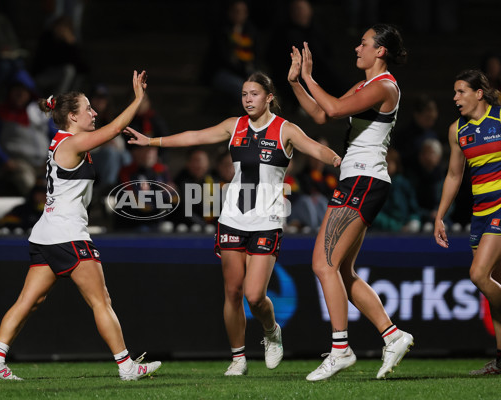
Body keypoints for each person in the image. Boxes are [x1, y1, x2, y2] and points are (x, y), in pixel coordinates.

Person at [126, 71, 341, 376]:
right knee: (232, 291)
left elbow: (314, 147)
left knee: (255, 295)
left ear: (269, 97)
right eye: (243, 94)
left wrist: (336, 159)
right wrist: (152, 140)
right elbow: (195, 136)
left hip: (267, 219)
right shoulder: (234, 125)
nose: (247, 100)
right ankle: (238, 357)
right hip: (232, 218)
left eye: (253, 94)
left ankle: (271, 331)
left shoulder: (285, 129)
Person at [0, 70, 162, 381]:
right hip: (67, 234)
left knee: (30, 300)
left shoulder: (66, 142)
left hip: (48, 234)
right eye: (88, 108)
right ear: (73, 117)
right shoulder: (73, 143)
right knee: (101, 300)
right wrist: (138, 98)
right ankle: (127, 366)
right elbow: (117, 128)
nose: (94, 112)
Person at [287, 23, 414, 380]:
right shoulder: (364, 86)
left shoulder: (385, 86)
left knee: (322, 264)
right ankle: (393, 335)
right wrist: (297, 82)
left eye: (363, 43)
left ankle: (341, 349)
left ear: (380, 51)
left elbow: (336, 109)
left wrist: (310, 76)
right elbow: (321, 114)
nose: (357, 48)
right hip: (359, 179)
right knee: (341, 269)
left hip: (363, 178)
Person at [434, 69, 501, 376]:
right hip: (480, 213)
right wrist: (439, 215)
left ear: (478, 93)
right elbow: (453, 175)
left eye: (461, 91)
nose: (455, 97)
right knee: (492, 290)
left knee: (478, 275)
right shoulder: (456, 130)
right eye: (454, 92)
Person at [0, 69, 53, 196]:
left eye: (23, 91)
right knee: (28, 182)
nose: (20, 94)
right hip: (18, 164)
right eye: (16, 91)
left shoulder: (41, 113)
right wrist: (4, 161)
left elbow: (55, 135)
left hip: (44, 163)